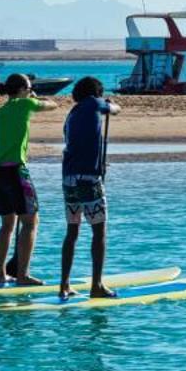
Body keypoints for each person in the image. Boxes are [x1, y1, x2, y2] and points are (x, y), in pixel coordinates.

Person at [0, 72, 54, 286]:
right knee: (31, 221)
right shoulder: (23, 105)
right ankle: (23, 275)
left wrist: (28, 95)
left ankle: (0, 274)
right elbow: (51, 105)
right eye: (28, 87)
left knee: (7, 224)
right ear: (22, 89)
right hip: (15, 170)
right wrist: (32, 96)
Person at [59, 75, 117, 299]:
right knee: (99, 233)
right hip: (88, 179)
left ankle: (64, 285)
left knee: (72, 232)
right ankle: (97, 285)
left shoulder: (72, 114)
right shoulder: (94, 103)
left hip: (69, 178)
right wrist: (110, 103)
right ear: (95, 93)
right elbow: (115, 109)